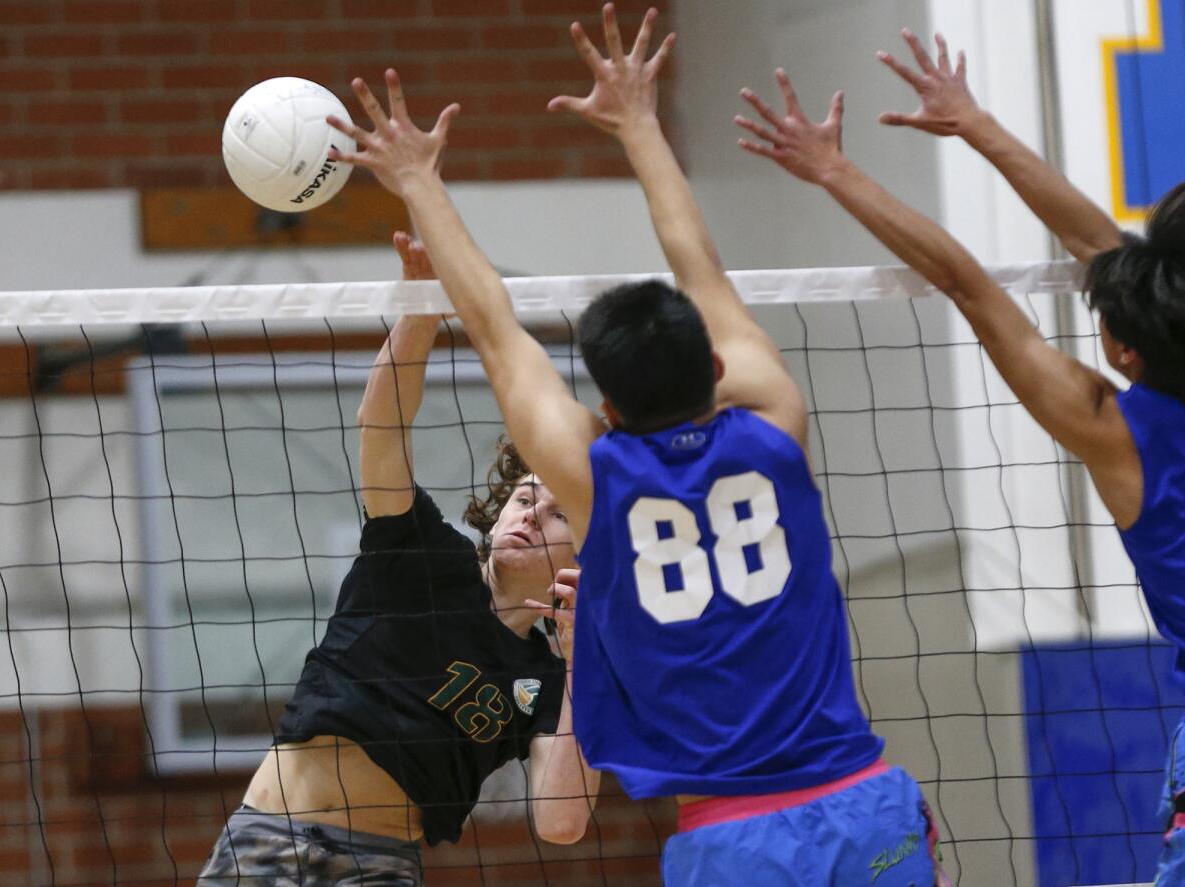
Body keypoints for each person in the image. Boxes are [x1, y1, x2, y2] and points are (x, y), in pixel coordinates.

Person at [323, 6, 948, 885]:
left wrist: (419, 179)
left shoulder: (596, 480)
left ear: (605, 407)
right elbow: (701, 266)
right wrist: (640, 124)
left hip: (735, 840)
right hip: (859, 797)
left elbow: (498, 329)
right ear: (719, 365)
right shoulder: (774, 424)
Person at [737, 32, 1185, 884]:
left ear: (1126, 351)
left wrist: (839, 172)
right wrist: (975, 123)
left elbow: (972, 285)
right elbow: (1111, 251)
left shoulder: (1119, 431)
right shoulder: (1137, 386)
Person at [197, 232, 598, 886]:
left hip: (376, 866)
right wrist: (420, 307)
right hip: (266, 837)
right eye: (523, 496)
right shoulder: (419, 551)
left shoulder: (547, 678)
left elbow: (561, 822)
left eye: (557, 512)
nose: (527, 513)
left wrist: (585, 662)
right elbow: (379, 423)